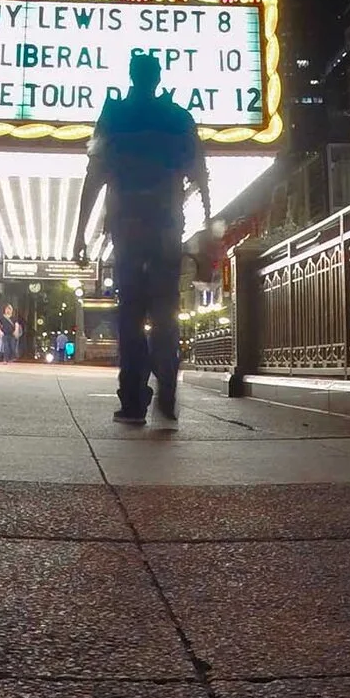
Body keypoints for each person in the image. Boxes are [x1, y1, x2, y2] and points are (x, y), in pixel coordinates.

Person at [73, 50, 209, 425]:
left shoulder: (114, 115)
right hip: (166, 222)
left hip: (127, 223)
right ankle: (167, 385)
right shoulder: (178, 117)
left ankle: (133, 399)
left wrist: (79, 234)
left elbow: (95, 174)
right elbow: (200, 171)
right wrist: (209, 228)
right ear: (158, 77)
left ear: (133, 77)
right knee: (165, 309)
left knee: (131, 311)